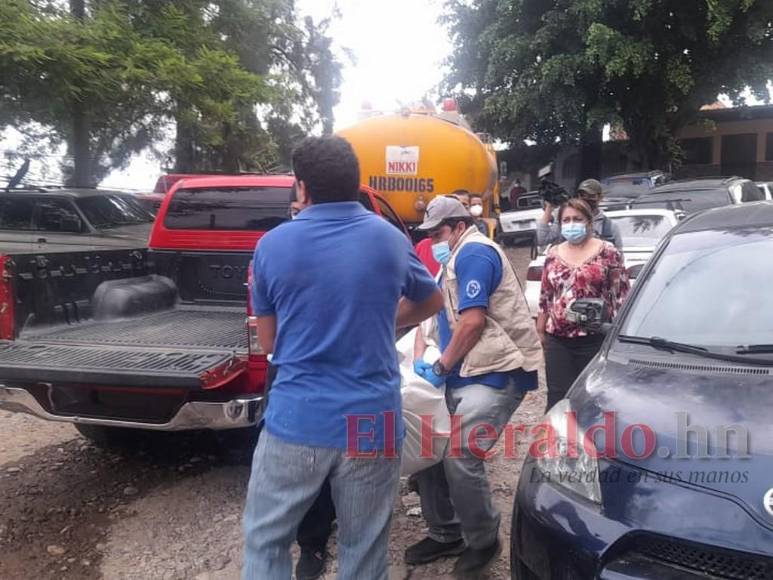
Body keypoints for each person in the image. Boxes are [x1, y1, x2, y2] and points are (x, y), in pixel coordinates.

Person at [243, 136, 443, 580]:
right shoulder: (389, 239)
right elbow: (432, 301)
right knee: (364, 545)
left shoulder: (272, 246)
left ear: (302, 188)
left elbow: (270, 342)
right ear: (356, 183)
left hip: (298, 420)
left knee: (266, 540)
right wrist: (380, 320)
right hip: (372, 420)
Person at [405, 196, 543, 577]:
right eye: (429, 233)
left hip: (498, 372)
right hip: (464, 370)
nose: (433, 239)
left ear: (460, 225)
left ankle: (483, 541)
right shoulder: (451, 260)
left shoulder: (474, 255)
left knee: (460, 455)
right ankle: (445, 531)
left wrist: (441, 364)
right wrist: (425, 359)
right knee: (427, 445)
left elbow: (472, 322)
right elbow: (431, 318)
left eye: (438, 232)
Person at [537, 198, 630, 411]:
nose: (572, 224)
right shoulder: (553, 254)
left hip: (595, 337)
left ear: (589, 222)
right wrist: (540, 331)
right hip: (558, 339)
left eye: (577, 219)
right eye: (566, 220)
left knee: (593, 397)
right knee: (559, 396)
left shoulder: (608, 252)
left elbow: (621, 294)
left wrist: (620, 334)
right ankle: (557, 440)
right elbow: (545, 296)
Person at [536, 178, 623, 250]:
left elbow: (618, 259)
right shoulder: (567, 222)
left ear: (600, 198)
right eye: (582, 195)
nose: (586, 199)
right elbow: (542, 240)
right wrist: (549, 208)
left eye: (591, 196)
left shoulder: (610, 226)